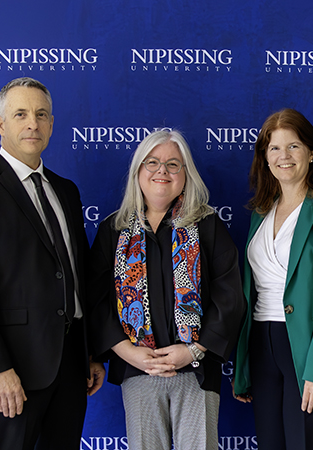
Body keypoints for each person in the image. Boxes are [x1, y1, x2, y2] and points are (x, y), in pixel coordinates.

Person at [0, 76, 106, 449]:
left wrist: (91, 352)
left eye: (41, 114)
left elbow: (78, 276)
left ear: (51, 124)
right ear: (0, 123)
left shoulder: (66, 190)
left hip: (71, 363)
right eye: (20, 114)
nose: (32, 123)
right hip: (14, 367)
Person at [86, 129, 246, 450]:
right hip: (138, 369)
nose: (162, 171)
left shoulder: (207, 225)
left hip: (196, 369)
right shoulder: (113, 230)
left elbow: (229, 296)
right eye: (153, 162)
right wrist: (128, 352)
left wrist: (194, 350)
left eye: (173, 164)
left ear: (185, 174)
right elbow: (97, 301)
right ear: (138, 171)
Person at [232, 108, 313, 450]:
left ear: (311, 153)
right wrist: (244, 365)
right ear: (265, 157)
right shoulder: (261, 213)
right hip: (262, 344)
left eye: (293, 146)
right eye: (274, 148)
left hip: (310, 347)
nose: (284, 156)